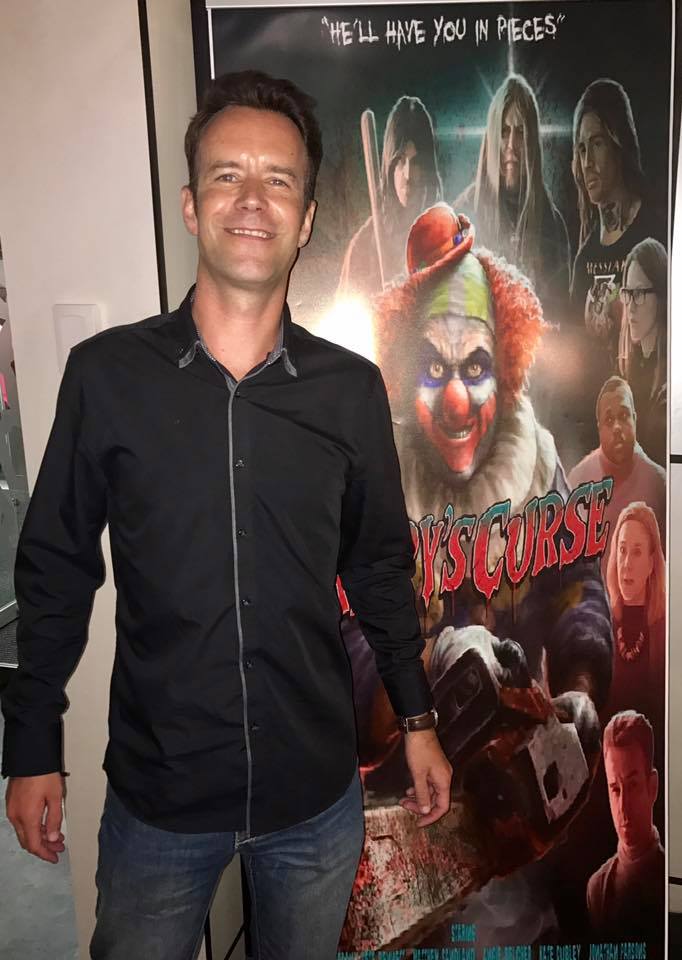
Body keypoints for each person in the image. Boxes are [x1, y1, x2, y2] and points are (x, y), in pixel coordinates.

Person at [1, 71, 452, 960]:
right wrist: (32, 741)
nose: (252, 199)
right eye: (227, 175)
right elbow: (55, 564)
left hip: (313, 798)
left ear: (307, 218)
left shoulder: (350, 392)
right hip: (160, 800)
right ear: (191, 205)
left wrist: (419, 720)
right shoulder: (106, 377)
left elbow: (377, 568)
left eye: (278, 179)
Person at [343, 203, 611, 946]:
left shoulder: (538, 465)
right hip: (404, 854)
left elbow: (579, 585)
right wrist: (425, 671)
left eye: (476, 368)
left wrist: (582, 695)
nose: (457, 400)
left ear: (508, 367)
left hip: (520, 845)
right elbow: (341, 637)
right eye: (433, 368)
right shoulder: (370, 479)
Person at [569, 79, 663, 394]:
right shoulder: (584, 259)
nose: (587, 163)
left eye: (597, 143)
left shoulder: (656, 233)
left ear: (618, 143)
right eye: (582, 149)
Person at [453, 74, 570, 319]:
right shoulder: (463, 217)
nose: (512, 145)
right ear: (492, 136)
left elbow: (560, 318)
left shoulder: (553, 226)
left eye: (521, 132)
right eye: (505, 131)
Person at [337, 95, 442, 301]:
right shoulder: (363, 248)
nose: (408, 175)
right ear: (389, 166)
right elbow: (344, 317)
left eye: (416, 162)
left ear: (428, 168)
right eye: (401, 160)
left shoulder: (447, 237)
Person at [568, 376, 665, 574]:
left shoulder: (658, 483)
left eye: (623, 416)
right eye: (609, 420)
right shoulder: (577, 481)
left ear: (635, 419)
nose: (617, 427)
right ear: (599, 429)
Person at [586, 711, 664, 954]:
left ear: (652, 787)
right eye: (615, 789)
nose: (623, 806)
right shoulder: (598, 888)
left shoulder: (669, 881)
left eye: (633, 785)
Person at [604, 502, 665, 750]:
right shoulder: (601, 624)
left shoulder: (666, 628)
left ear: (651, 563)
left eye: (637, 552)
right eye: (622, 550)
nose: (626, 563)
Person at [618, 237, 667, 467]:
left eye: (639, 293)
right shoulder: (627, 370)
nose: (631, 306)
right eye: (627, 293)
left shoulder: (671, 378)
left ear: (661, 295)